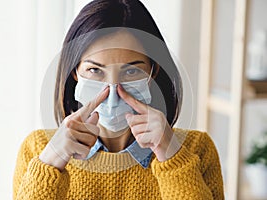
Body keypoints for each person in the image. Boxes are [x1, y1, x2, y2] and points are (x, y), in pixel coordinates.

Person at [13, 0, 224, 199]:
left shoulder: (197, 150)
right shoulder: (37, 149)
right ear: (75, 71)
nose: (112, 91)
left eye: (131, 72)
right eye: (95, 70)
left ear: (153, 71)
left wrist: (171, 156)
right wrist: (50, 164)